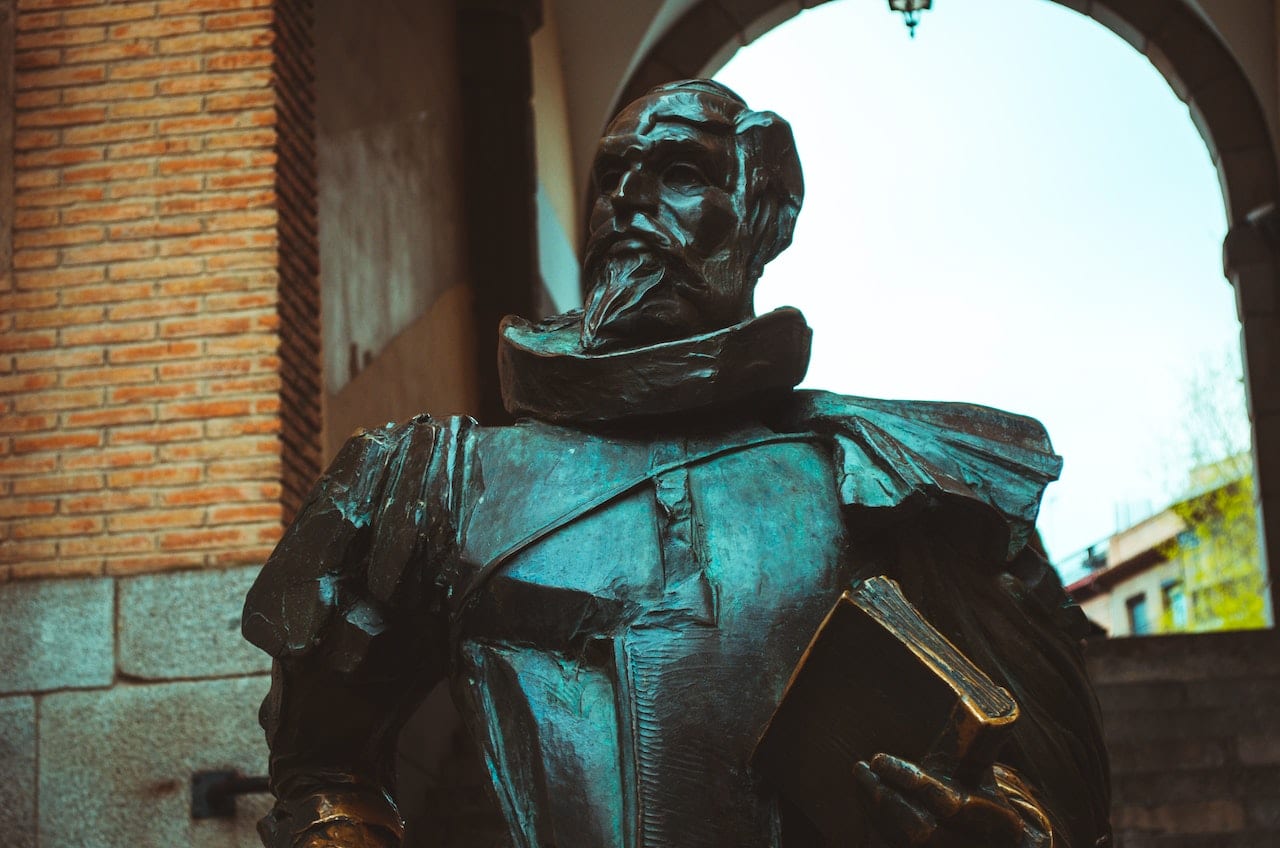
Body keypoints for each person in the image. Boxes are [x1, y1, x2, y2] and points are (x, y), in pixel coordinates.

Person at [243, 79, 1112, 848]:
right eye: (611, 178)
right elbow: (320, 774)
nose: (626, 200)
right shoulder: (437, 480)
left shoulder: (884, 479)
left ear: (765, 216)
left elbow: (1043, 783)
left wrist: (1000, 829)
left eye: (683, 174)